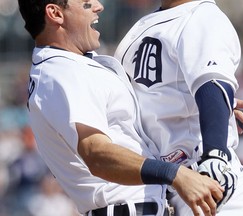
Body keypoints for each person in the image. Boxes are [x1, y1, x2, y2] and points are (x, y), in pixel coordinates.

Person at [18, 0, 225, 216]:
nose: (99, 6)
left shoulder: (66, 67)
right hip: (123, 208)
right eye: (87, 3)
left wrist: (201, 104)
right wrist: (175, 174)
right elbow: (96, 153)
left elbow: (132, 117)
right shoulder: (60, 73)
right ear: (55, 13)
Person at [114, 0, 243, 215]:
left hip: (208, 182)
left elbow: (212, 83)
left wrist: (216, 154)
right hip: (173, 185)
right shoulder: (153, 20)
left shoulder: (202, 16)